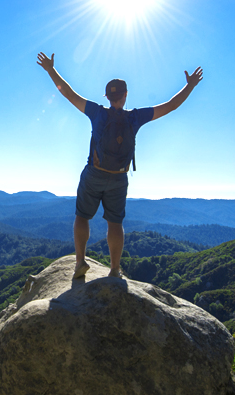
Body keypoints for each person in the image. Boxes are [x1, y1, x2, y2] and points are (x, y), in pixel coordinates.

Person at [36, 52, 203, 279]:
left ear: (107, 97)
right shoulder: (135, 117)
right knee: (115, 223)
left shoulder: (96, 112)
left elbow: (67, 93)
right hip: (119, 178)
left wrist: (50, 70)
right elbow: (172, 105)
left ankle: (80, 263)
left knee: (82, 217)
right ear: (125, 96)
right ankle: (114, 270)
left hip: (94, 174)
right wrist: (190, 86)